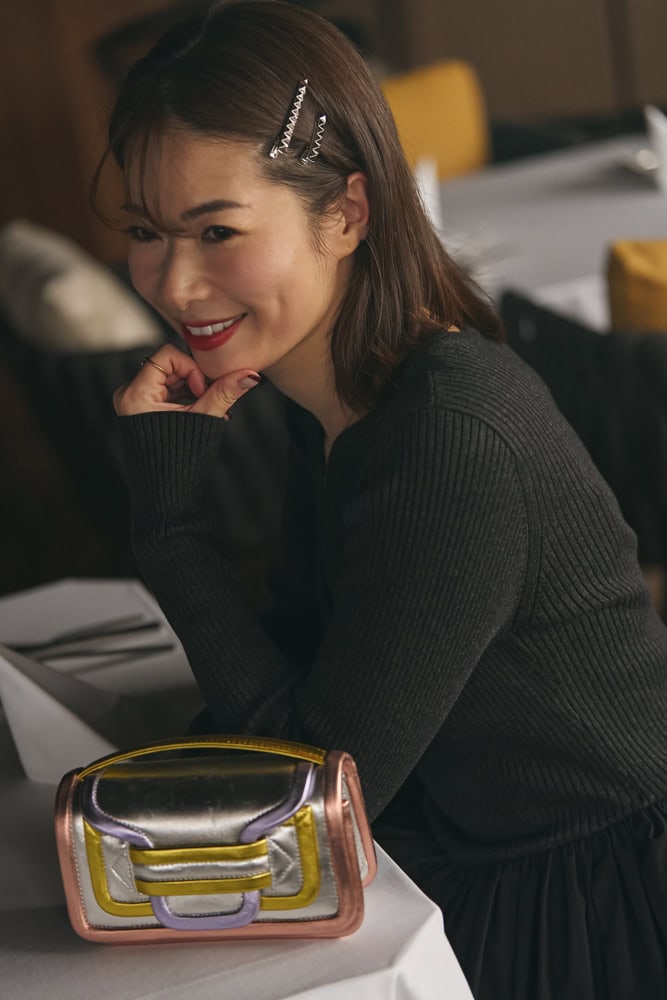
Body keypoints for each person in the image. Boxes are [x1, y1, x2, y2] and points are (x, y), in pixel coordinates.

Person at [105, 2, 667, 996]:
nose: (176, 283)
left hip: (589, 902)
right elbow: (299, 658)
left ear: (346, 214)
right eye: (147, 232)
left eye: (217, 230)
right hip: (468, 842)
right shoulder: (331, 397)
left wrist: (170, 526)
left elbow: (315, 800)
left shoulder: (444, 436)